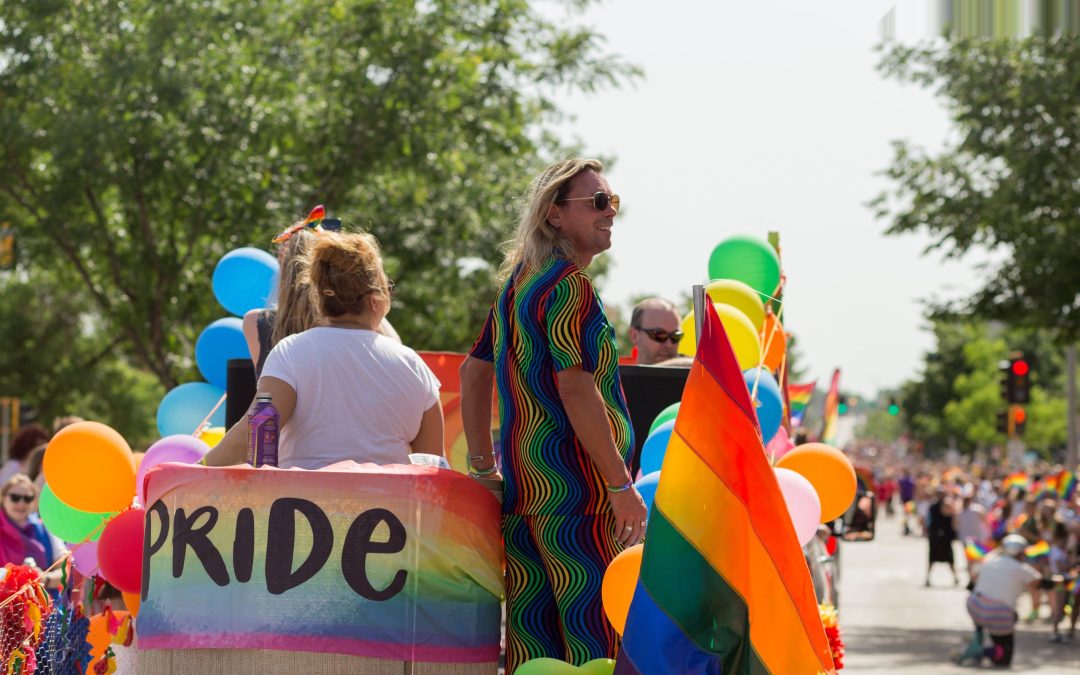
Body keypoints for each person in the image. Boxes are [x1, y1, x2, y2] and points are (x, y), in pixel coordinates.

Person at [459, 158, 646, 672]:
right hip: (579, 502)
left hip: (526, 500)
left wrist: (483, 467)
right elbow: (576, 388)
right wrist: (618, 485)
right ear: (555, 215)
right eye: (598, 203)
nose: (611, 213)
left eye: (613, 202)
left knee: (534, 652)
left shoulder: (518, 287)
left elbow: (472, 375)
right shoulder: (568, 287)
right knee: (595, 649)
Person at [205, 230, 443, 469]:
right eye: (387, 288)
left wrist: (196, 468)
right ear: (375, 300)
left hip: (301, 504)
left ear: (319, 296)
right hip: (388, 505)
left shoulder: (291, 352)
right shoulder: (413, 366)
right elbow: (432, 469)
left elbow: (249, 437)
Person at [243, 214, 400, 379]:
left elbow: (266, 394)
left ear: (283, 263)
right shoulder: (346, 324)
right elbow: (396, 350)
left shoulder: (255, 323)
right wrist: (363, 289)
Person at [958, 534, 1043, 667]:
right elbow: (1040, 583)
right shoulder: (1022, 569)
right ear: (1019, 553)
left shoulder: (989, 560)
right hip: (998, 614)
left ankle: (978, 635)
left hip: (975, 606)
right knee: (1004, 658)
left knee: (987, 609)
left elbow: (973, 579)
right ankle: (982, 651)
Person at [0, 476, 64, 593]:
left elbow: (65, 570)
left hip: (45, 604)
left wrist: (44, 578)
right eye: (15, 498)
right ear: (3, 499)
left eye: (28, 498)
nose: (21, 503)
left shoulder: (47, 529)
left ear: (34, 502)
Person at [628, 298, 683, 365]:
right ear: (634, 336)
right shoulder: (616, 374)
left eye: (675, 336)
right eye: (659, 335)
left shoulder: (694, 371)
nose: (669, 344)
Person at [926, 488, 959, 586]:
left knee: (949, 559)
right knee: (933, 558)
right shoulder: (934, 506)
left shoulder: (946, 505)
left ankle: (955, 577)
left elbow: (952, 517)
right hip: (937, 536)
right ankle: (927, 578)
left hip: (944, 537)